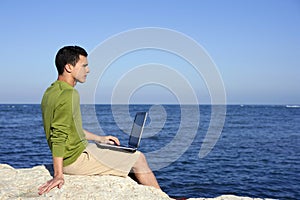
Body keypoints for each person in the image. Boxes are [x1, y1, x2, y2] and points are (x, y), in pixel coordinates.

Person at [38, 45, 160, 195]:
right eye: (84, 66)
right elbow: (58, 134)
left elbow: (71, 127)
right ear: (69, 67)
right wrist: (58, 174)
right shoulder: (70, 94)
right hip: (75, 160)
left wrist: (100, 138)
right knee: (138, 158)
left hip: (78, 151)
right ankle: (163, 197)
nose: (88, 70)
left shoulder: (50, 91)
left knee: (119, 152)